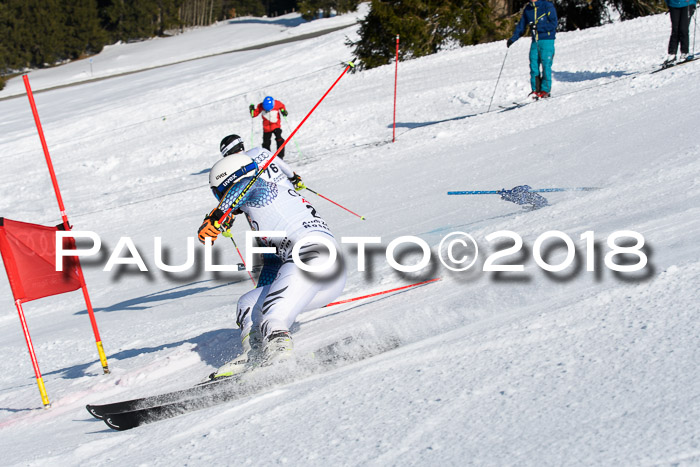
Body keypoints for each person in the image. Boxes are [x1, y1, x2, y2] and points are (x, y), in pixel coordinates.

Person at [198, 137, 345, 380]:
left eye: (219, 193)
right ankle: (255, 355)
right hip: (313, 276)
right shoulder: (266, 213)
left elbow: (243, 188)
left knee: (272, 313)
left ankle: (279, 359)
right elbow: (273, 266)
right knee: (247, 305)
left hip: (314, 255)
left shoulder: (261, 187)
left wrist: (217, 216)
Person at [507, 0, 558, 99]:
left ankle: (545, 90)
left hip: (547, 40)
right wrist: (513, 39)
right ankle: (535, 90)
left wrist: (539, 26)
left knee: (546, 65)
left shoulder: (547, 6)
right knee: (533, 64)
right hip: (535, 41)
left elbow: (553, 23)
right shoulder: (528, 9)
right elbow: (521, 26)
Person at [664, 0, 697, 65]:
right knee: (675, 30)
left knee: (683, 29)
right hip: (673, 4)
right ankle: (672, 54)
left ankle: (684, 53)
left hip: (687, 3)